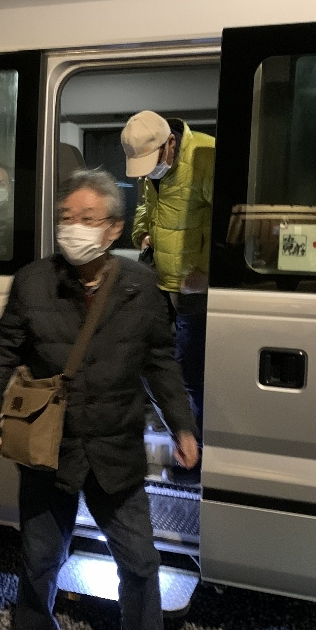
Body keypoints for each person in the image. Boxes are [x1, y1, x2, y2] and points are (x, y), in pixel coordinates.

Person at [0, 169, 198, 630]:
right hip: (51, 448)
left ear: (114, 228)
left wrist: (182, 425)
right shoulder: (33, 282)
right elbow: (1, 356)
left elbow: (161, 363)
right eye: (66, 217)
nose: (73, 227)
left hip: (115, 449)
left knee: (140, 561)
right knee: (40, 556)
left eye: (87, 218)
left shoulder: (140, 286)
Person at [122, 111, 214, 483]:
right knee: (148, 359)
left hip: (195, 286)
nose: (147, 173)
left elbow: (227, 220)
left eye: (151, 162)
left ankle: (196, 458)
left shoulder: (206, 156)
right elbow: (146, 208)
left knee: (189, 374)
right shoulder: (152, 168)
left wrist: (206, 270)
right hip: (159, 278)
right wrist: (141, 235)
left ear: (170, 143)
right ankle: (179, 435)